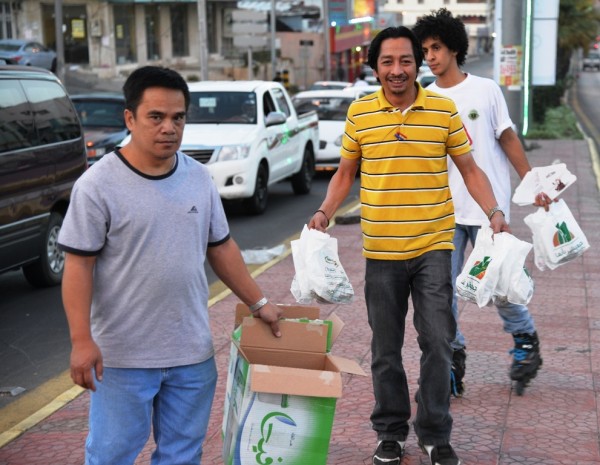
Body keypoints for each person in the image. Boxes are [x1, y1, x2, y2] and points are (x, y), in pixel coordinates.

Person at [58, 66, 282, 465]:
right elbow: (78, 266)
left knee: (181, 456)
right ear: (130, 118)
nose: (169, 128)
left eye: (178, 118)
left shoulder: (198, 177)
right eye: (156, 117)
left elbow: (222, 248)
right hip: (122, 359)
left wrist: (259, 302)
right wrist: (81, 341)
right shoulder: (97, 185)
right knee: (111, 456)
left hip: (191, 355)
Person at [308, 26, 509, 465]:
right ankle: (391, 432)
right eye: (387, 62)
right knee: (385, 348)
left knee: (438, 340)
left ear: (418, 63)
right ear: (375, 66)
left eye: (405, 61)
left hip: (434, 246)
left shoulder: (442, 109)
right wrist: (324, 212)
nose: (397, 70)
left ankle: (435, 433)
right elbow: (344, 173)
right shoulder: (360, 113)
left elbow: (470, 168)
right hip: (380, 250)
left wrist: (494, 211)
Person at [413, 8, 549, 398]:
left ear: (454, 47)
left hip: (491, 211)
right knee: (442, 292)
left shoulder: (486, 90)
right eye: (425, 50)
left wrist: (531, 182)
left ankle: (525, 342)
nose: (431, 57)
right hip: (445, 211)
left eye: (436, 47)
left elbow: (507, 140)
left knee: (502, 285)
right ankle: (452, 357)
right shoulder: (425, 98)